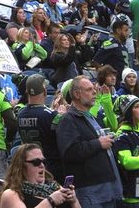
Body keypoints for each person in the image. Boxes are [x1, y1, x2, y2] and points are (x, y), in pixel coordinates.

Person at [56, 77, 122, 208]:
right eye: (89, 89)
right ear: (76, 94)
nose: (94, 92)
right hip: (90, 193)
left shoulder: (90, 117)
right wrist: (98, 143)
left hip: (108, 189)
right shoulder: (68, 120)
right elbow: (70, 152)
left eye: (94, 89)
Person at [0, 143, 79, 208]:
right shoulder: (12, 194)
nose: (42, 165)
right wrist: (50, 201)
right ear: (22, 166)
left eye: (43, 161)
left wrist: (74, 201)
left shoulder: (55, 187)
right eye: (36, 162)